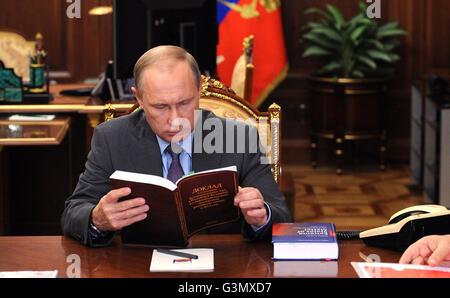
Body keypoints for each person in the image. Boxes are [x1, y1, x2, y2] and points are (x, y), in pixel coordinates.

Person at [61, 45, 292, 247]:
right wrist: (96, 219)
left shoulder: (239, 137)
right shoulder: (111, 138)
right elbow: (74, 211)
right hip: (138, 264)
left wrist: (261, 216)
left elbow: (280, 215)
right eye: (160, 107)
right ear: (138, 98)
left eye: (184, 103)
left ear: (199, 89)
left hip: (222, 266)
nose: (175, 120)